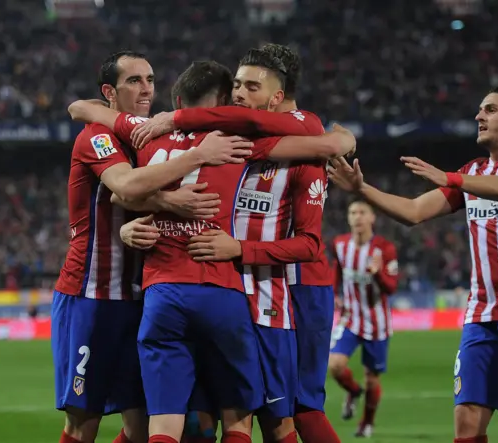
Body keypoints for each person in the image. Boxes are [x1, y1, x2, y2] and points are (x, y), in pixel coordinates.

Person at [69, 59, 356, 443]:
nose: (240, 95)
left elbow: (120, 179)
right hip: (224, 292)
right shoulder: (237, 142)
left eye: (250, 87)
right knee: (243, 420)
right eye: (236, 89)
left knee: (165, 424)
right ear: (223, 102)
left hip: (165, 296)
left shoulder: (146, 133)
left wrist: (87, 108)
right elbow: (327, 142)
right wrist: (345, 141)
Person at [327, 84, 498, 443]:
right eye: (480, 110)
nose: (479, 116)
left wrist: (451, 179)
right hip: (482, 316)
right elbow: (413, 212)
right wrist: (361, 189)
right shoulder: (473, 170)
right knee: (467, 421)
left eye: (489, 110)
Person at [53, 51, 249, 443]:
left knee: (144, 424)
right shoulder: (98, 137)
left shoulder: (146, 133)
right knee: (83, 420)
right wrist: (182, 178)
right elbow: (124, 187)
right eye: (134, 81)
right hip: (93, 295)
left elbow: (86, 108)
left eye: (150, 79)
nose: (146, 89)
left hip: (144, 294)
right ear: (110, 91)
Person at [328, 200, 398, 438]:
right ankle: (353, 391)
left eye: (362, 212)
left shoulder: (384, 249)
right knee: (334, 366)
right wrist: (335, 293)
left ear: (372, 218)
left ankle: (366, 423)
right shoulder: (340, 244)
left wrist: (378, 275)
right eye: (353, 212)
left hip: (377, 323)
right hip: (349, 319)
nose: (357, 217)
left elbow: (391, 288)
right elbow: (337, 268)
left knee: (372, 380)